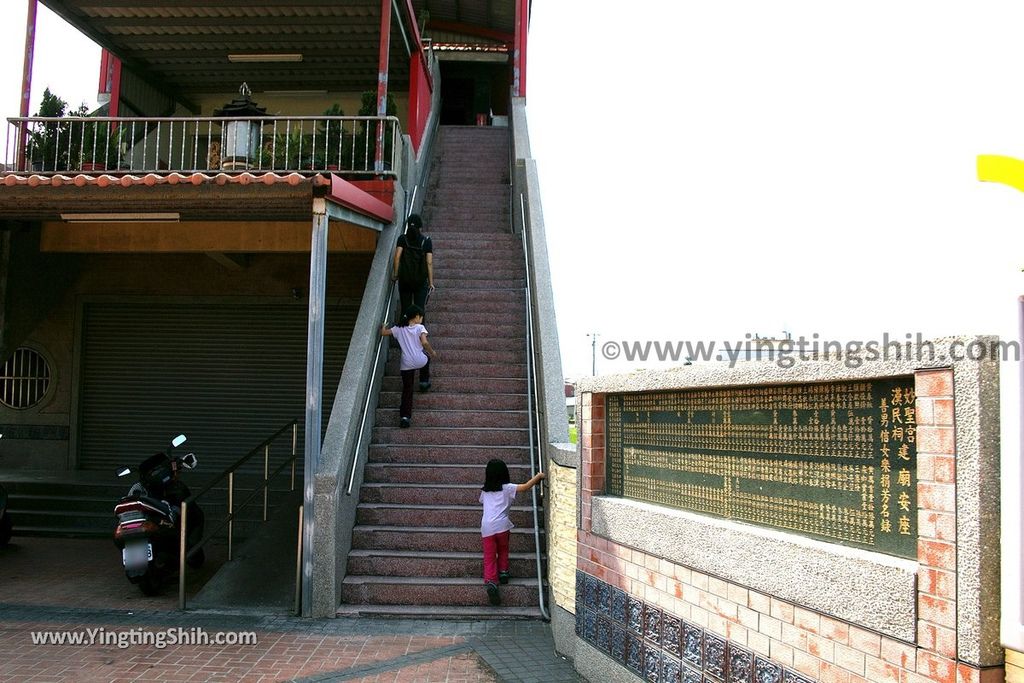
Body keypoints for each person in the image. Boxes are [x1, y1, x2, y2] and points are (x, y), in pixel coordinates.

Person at [479, 459, 545, 606]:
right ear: (504, 473)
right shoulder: (507, 488)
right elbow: (526, 486)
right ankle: (503, 572)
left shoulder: (485, 491)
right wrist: (539, 476)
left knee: (489, 557)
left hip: (487, 527)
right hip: (502, 526)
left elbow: (485, 504)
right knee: (503, 550)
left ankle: (491, 581)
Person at [380, 305, 437, 427]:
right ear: (416, 316)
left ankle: (405, 417)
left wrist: (383, 326)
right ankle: (423, 382)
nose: (421, 319)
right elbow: (424, 342)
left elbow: (384, 333)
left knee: (407, 390)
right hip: (419, 360)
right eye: (421, 317)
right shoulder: (419, 327)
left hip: (406, 363)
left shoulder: (398, 329)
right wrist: (432, 352)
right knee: (426, 358)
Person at [392, 213, 434, 319]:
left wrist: (396, 274)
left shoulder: (402, 239)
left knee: (405, 309)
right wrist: (430, 282)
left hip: (405, 279)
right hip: (420, 281)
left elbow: (397, 257)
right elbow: (429, 262)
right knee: (419, 310)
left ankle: (403, 334)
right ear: (420, 227)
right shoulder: (426, 241)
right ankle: (420, 335)